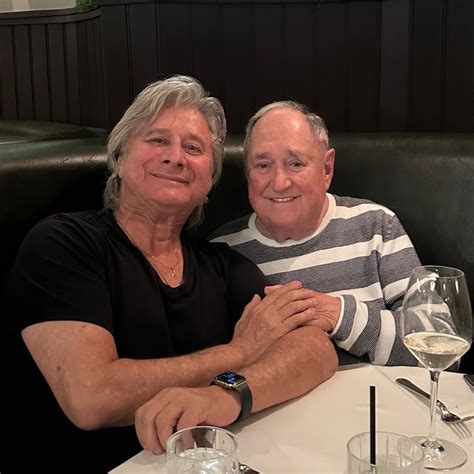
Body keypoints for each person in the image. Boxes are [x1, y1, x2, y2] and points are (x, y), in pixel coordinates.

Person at [1, 78, 337, 472]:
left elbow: (316, 349)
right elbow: (92, 397)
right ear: (120, 158)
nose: (175, 158)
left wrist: (228, 394)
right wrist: (238, 353)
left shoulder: (222, 263)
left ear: (209, 178)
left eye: (193, 148)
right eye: (158, 140)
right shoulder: (64, 243)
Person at [211, 101, 425, 367]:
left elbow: (439, 344)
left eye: (295, 163)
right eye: (263, 165)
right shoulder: (221, 250)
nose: (279, 183)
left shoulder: (377, 226)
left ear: (326, 169)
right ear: (247, 172)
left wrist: (338, 316)